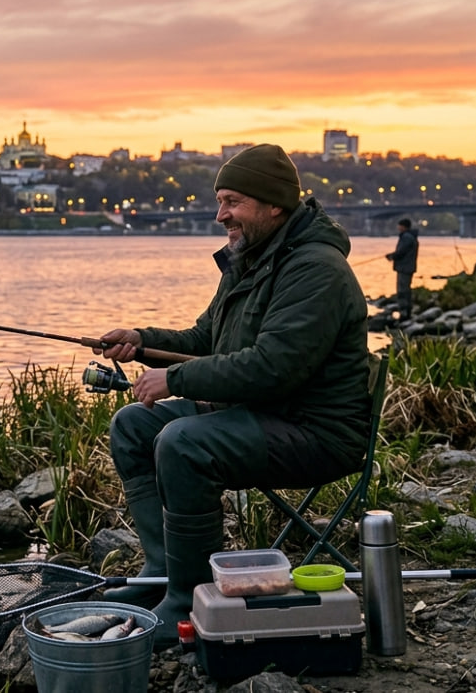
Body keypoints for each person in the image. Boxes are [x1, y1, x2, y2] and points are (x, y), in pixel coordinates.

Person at [93, 144, 371, 649]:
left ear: (273, 205)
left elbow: (272, 369)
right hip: (261, 415)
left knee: (183, 443)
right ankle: (162, 573)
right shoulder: (252, 258)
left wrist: (176, 382)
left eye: (232, 202)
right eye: (220, 201)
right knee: (133, 425)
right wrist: (141, 341)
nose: (221, 214)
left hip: (314, 431)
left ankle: (187, 599)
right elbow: (205, 341)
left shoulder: (316, 270)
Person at [384, 219, 419, 320]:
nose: (398, 227)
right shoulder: (411, 236)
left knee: (402, 291)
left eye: (399, 225)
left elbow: (401, 252)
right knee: (406, 290)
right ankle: (407, 312)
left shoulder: (406, 237)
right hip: (408, 267)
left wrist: (392, 256)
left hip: (404, 267)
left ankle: (404, 314)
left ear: (403, 226)